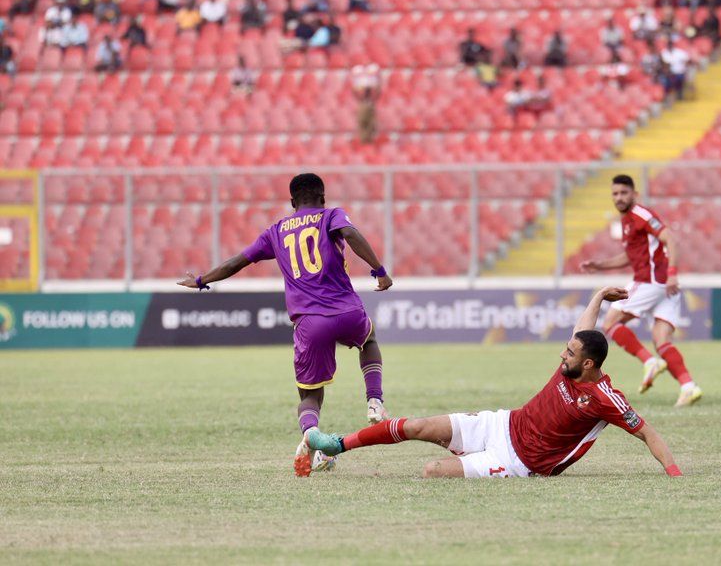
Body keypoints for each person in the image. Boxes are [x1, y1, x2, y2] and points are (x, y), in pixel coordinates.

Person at [302, 286, 685, 479]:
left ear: (588, 364)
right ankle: (336, 446)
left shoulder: (604, 398)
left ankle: (466, 460)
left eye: (568, 355)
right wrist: (599, 295)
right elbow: (584, 326)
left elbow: (648, 433)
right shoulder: (575, 359)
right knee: (417, 425)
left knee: (431, 472)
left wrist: (674, 474)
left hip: (515, 462)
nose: (561, 356)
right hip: (501, 423)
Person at [176, 173, 394, 477]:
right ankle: (374, 402)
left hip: (309, 322)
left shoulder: (276, 230)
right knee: (368, 341)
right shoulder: (331, 215)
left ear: (293, 202)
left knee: (309, 394)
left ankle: (311, 434)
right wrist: (379, 270)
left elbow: (238, 261)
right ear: (323, 198)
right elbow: (352, 234)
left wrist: (201, 281)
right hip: (346, 310)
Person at [580, 174, 703, 408]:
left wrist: (674, 272)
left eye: (624, 193)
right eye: (615, 194)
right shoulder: (626, 220)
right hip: (665, 287)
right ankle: (688, 387)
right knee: (661, 339)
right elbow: (631, 255)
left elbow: (671, 239)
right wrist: (600, 265)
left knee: (610, 322)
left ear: (634, 194)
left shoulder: (641, 215)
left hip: (651, 281)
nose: (619, 197)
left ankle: (649, 362)